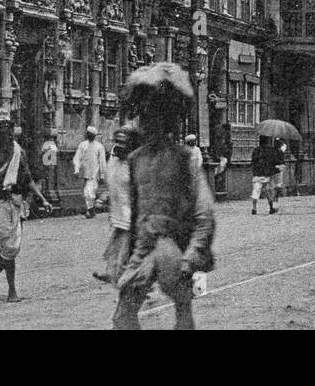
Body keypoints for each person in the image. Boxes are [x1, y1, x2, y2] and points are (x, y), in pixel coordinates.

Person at [113, 62, 216, 330]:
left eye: (154, 117)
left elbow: (203, 212)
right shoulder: (135, 160)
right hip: (144, 245)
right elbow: (136, 215)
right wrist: (126, 258)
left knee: (182, 308)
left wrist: (192, 254)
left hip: (173, 245)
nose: (147, 122)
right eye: (144, 116)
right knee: (122, 316)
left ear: (166, 121)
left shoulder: (184, 159)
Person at [0, 121, 53, 302]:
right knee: (9, 246)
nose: (9, 139)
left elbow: (28, 179)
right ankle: (12, 291)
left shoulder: (18, 152)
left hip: (15, 202)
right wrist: (8, 162)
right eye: (5, 136)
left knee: (12, 248)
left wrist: (43, 199)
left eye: (11, 136)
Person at [95, 125, 138, 285]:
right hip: (120, 210)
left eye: (123, 142)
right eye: (117, 141)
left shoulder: (135, 161)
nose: (119, 146)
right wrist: (105, 197)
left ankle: (132, 280)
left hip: (134, 212)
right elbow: (113, 181)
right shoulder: (114, 158)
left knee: (129, 247)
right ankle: (113, 271)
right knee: (117, 242)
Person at [73, 125, 106, 218]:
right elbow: (77, 158)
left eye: (91, 134)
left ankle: (90, 210)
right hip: (84, 172)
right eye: (88, 134)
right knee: (85, 192)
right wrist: (76, 169)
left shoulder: (99, 147)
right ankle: (91, 210)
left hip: (94, 173)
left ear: (94, 135)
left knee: (89, 191)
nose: (89, 135)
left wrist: (102, 175)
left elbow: (102, 161)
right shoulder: (82, 145)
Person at [250, 137, 282, 215]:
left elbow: (253, 161)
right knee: (269, 192)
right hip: (267, 174)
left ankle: (254, 208)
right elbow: (274, 162)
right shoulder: (270, 151)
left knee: (256, 191)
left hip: (257, 174)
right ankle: (271, 208)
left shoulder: (256, 150)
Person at [39, 131, 60, 203]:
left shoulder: (46, 143)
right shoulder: (52, 143)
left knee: (47, 177)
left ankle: (45, 192)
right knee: (48, 177)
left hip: (48, 163)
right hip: (50, 163)